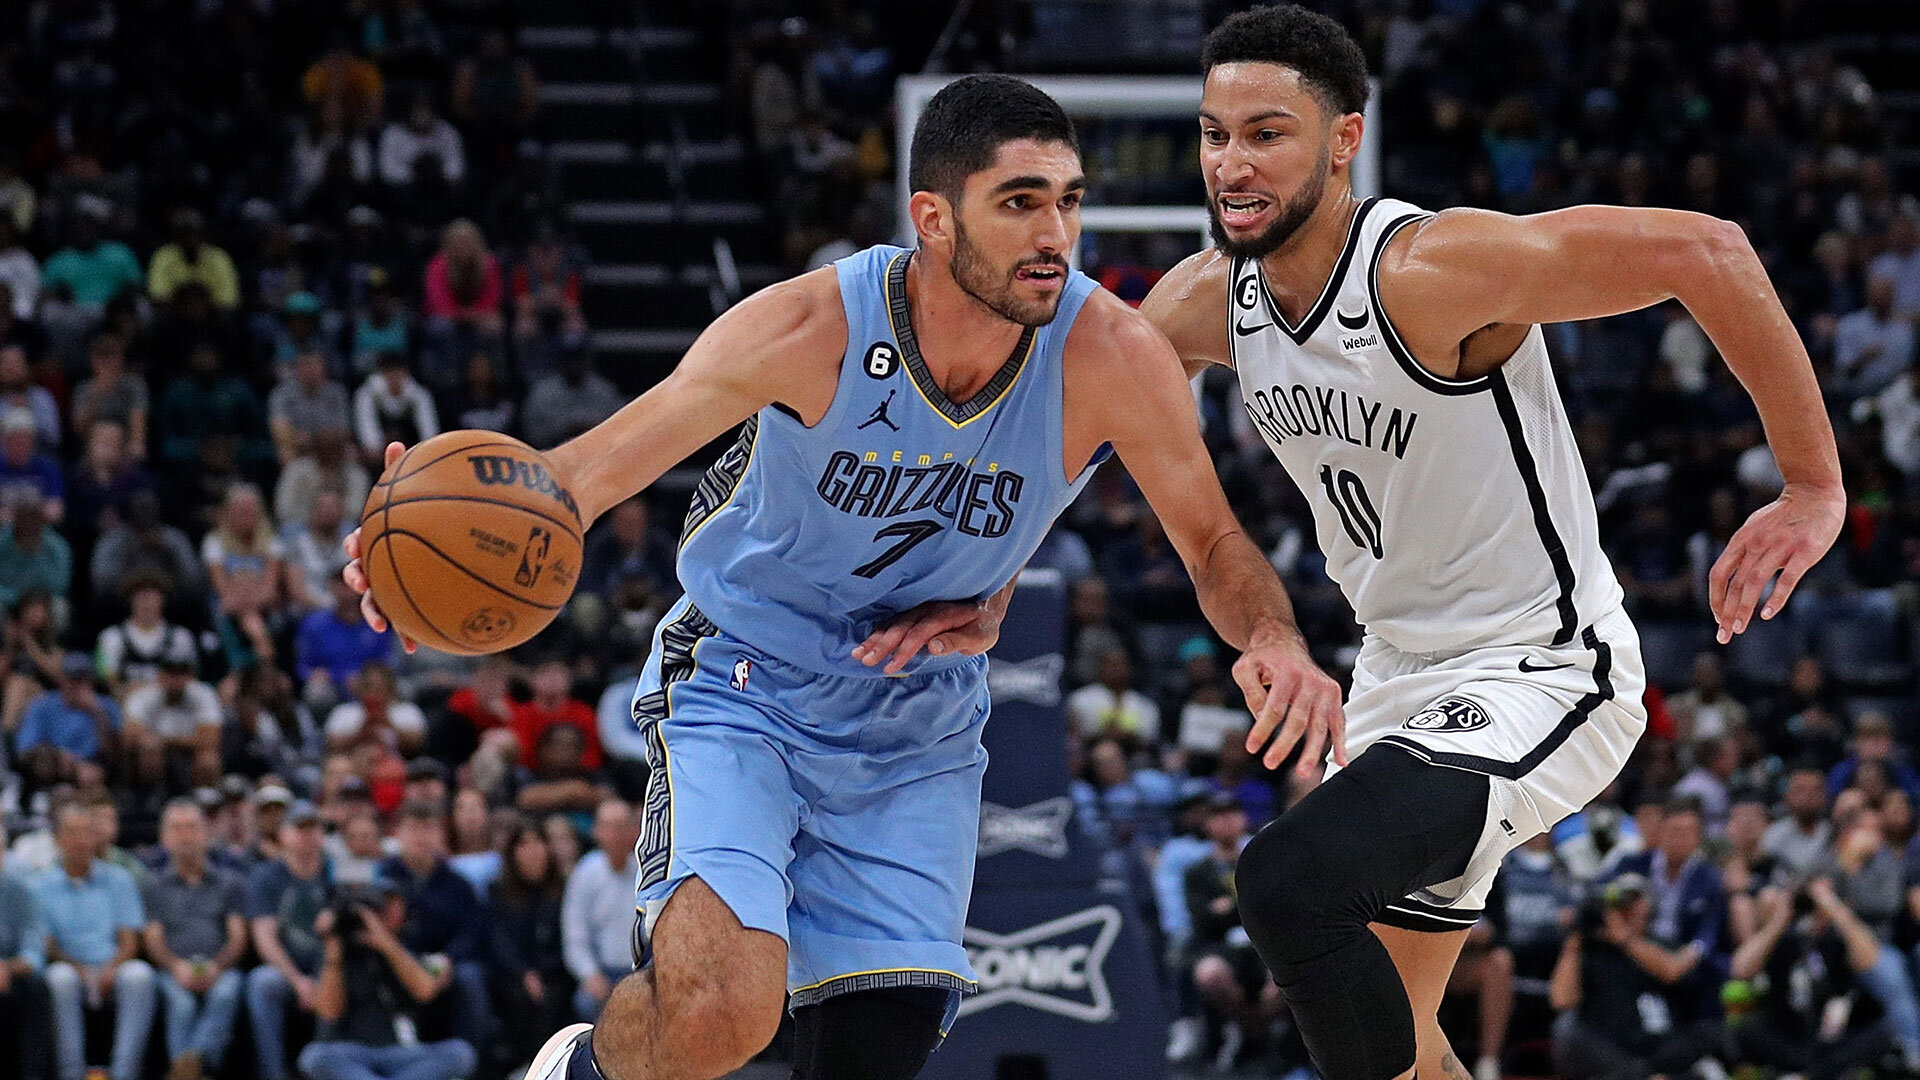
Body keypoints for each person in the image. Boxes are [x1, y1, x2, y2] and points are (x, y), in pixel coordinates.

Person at [345, 72, 1341, 1080]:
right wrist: (415, 549)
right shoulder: (810, 328)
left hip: (916, 719)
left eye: (1069, 200)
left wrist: (1273, 639)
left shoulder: (1112, 355)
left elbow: (1216, 545)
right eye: (1020, 202)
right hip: (746, 685)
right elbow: (577, 478)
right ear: (933, 220)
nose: (1056, 234)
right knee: (720, 1014)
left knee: (878, 1045)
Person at [1138, 8, 1842, 1080]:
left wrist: (1811, 485)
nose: (1231, 163)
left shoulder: (1431, 269)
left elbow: (1708, 249)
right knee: (1403, 1045)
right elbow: (1078, 424)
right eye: (1213, 133)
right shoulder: (1202, 300)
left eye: (1265, 134)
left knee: (1290, 883)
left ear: (1342, 139)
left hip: (1543, 667)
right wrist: (987, 590)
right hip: (1393, 679)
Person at [296, 881, 478, 1080]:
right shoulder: (336, 949)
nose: (390, 912)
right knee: (313, 1057)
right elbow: (329, 1012)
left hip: (403, 1054)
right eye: (383, 906)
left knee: (461, 1053)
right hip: (350, 1053)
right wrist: (334, 949)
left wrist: (386, 944)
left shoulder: (407, 947)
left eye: (396, 905)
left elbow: (425, 991)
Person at [1548, 875, 1723, 1080]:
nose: (1626, 910)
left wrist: (1626, 940)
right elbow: (1561, 1000)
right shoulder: (1590, 952)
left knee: (1710, 1033)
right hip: (1614, 1051)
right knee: (1567, 1032)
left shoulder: (1660, 944)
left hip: (1661, 1044)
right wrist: (1574, 940)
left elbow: (1671, 972)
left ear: (1650, 906)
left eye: (1634, 901)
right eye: (1619, 905)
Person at [36, 803, 157, 1080]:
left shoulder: (120, 878)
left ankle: (125, 1073)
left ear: (95, 837)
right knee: (60, 979)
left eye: (86, 832)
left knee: (140, 976)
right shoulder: (41, 886)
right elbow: (47, 944)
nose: (80, 840)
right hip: (68, 966)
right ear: (57, 839)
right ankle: (72, 1073)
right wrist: (81, 969)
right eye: (72, 833)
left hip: (112, 966)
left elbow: (129, 940)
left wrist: (111, 969)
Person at [142, 799, 248, 1080]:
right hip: (171, 970)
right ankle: (198, 1070)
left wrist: (217, 966)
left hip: (220, 967)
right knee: (181, 1003)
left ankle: (187, 1068)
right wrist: (177, 967)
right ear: (164, 839)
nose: (185, 835)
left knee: (226, 992)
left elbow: (238, 936)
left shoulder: (230, 882)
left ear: (206, 835)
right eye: (177, 829)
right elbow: (153, 939)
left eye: (192, 827)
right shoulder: (153, 885)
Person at [244, 803, 333, 1080]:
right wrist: (298, 981)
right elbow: (265, 940)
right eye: (299, 828)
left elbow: (350, 935)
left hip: (331, 966)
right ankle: (273, 1074)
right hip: (287, 970)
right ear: (283, 835)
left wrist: (324, 978)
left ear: (322, 834)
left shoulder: (338, 873)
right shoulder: (265, 876)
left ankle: (327, 1070)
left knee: (343, 981)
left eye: (313, 828)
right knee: (263, 981)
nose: (307, 835)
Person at [487, 817, 573, 1070]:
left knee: (555, 993)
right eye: (524, 844)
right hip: (513, 973)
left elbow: (567, 939)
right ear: (513, 852)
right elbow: (497, 941)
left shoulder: (563, 889)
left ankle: (549, 1066)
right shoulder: (498, 891)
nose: (533, 851)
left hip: (556, 971)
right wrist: (524, 972)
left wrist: (542, 971)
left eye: (538, 843)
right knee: (516, 994)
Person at [559, 797, 640, 1024]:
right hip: (603, 972)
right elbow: (575, 936)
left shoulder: (646, 874)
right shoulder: (585, 873)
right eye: (609, 827)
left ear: (635, 831)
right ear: (597, 832)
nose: (617, 835)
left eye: (623, 827)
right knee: (585, 1002)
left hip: (641, 972)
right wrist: (590, 974)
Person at [0, 818, 53, 1080]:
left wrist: (8, 967)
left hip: (10, 976)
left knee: (37, 986)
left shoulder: (21, 889)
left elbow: (34, 951)